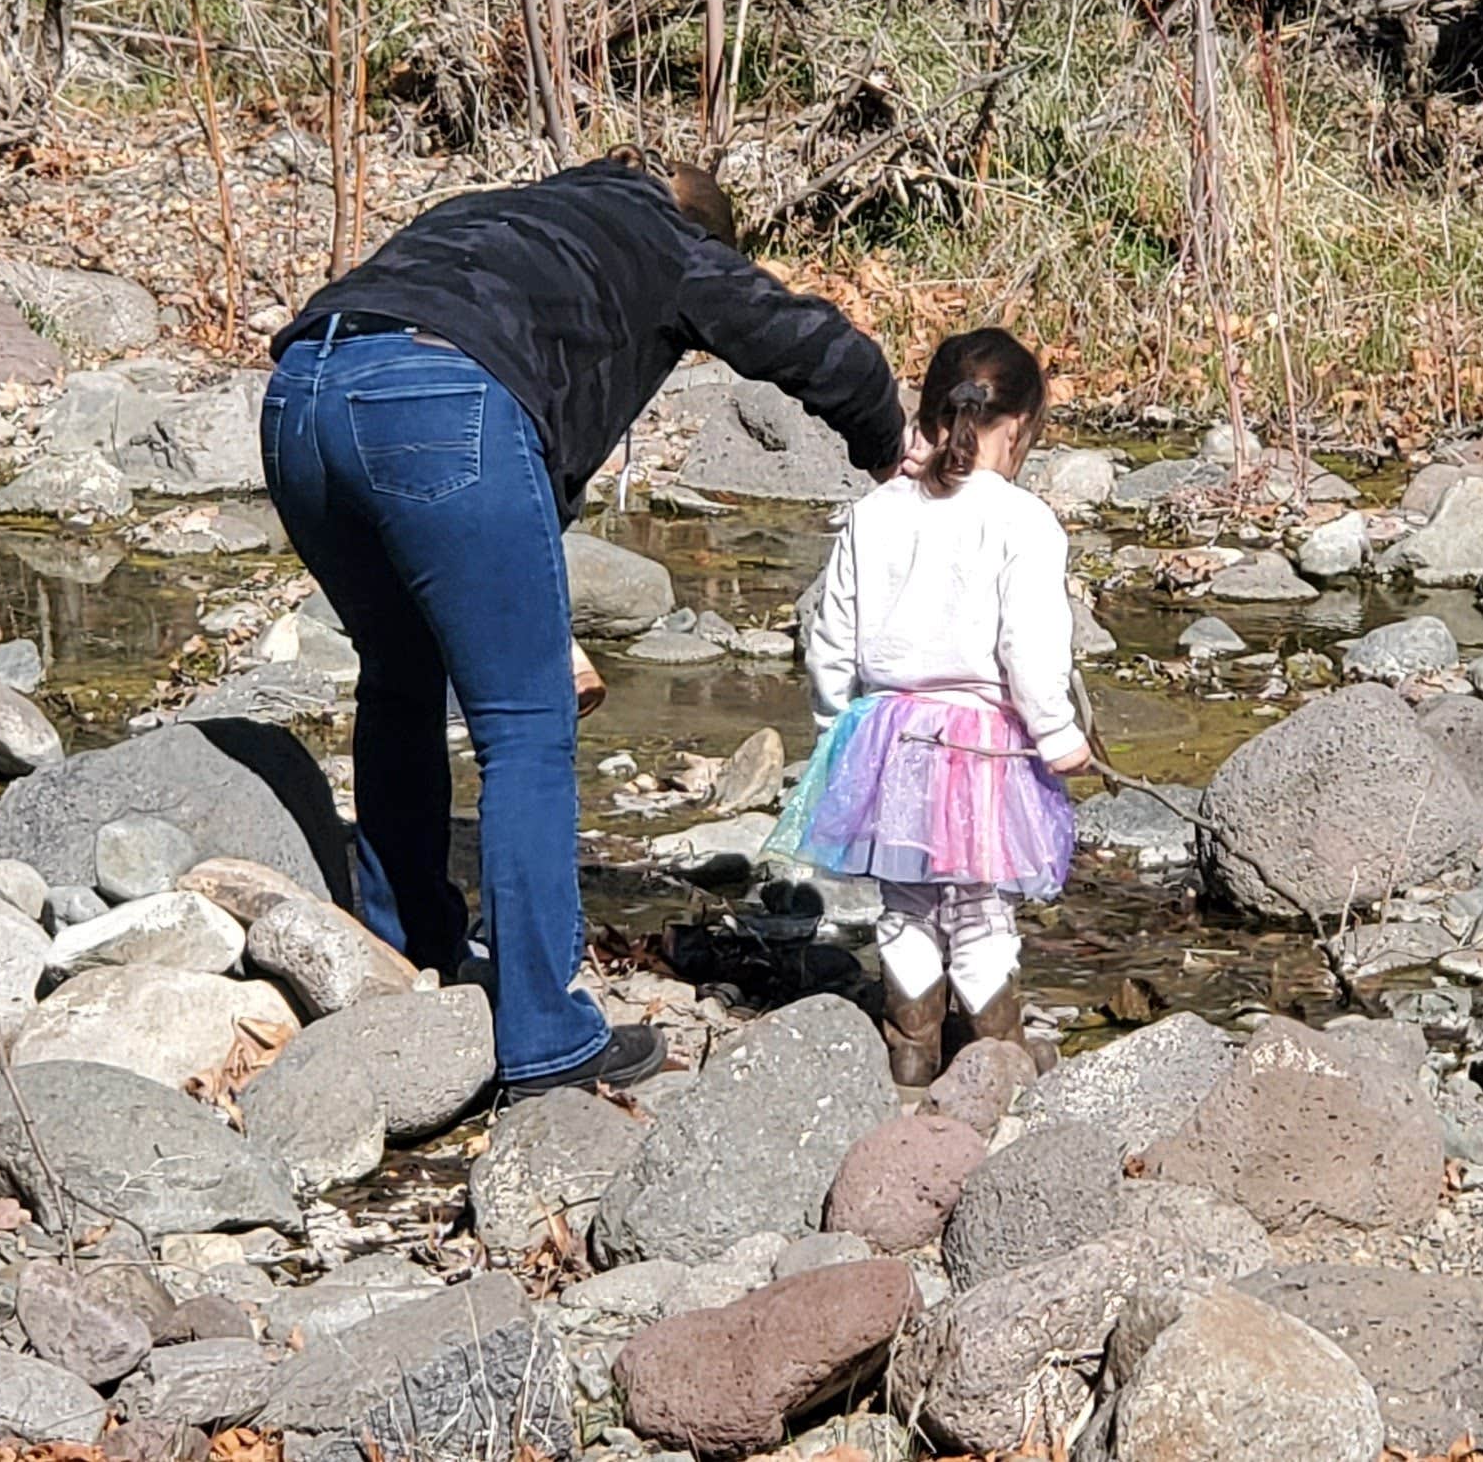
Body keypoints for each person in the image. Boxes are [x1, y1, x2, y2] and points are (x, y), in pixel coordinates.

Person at [261, 154, 906, 1099]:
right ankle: (545, 1037)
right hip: (442, 402)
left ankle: (406, 947)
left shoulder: (504, 214)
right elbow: (794, 335)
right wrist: (886, 437)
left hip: (298, 399)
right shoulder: (667, 238)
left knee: (399, 680)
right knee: (525, 729)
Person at [770, 328, 1093, 1085]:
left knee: (905, 901)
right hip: (983, 741)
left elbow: (831, 638)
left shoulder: (876, 512)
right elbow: (1032, 646)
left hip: (885, 730)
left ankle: (910, 1052)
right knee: (981, 907)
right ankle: (995, 1057)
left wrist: (836, 730)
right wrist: (1057, 732)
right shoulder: (1022, 520)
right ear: (1017, 428)